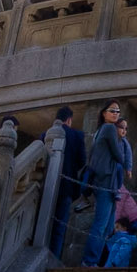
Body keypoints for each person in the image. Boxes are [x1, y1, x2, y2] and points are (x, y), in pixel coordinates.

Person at [81, 100, 131, 269]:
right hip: (105, 182)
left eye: (118, 111)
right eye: (112, 111)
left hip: (104, 182)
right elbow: (119, 156)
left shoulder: (100, 130)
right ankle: (89, 261)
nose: (116, 113)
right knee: (101, 224)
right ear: (104, 113)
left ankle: (95, 260)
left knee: (108, 225)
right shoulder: (109, 129)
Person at [50, 106, 88, 259]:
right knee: (59, 226)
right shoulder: (76, 136)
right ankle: (53, 257)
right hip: (66, 185)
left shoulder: (45, 134)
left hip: (46, 186)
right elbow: (81, 161)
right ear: (69, 119)